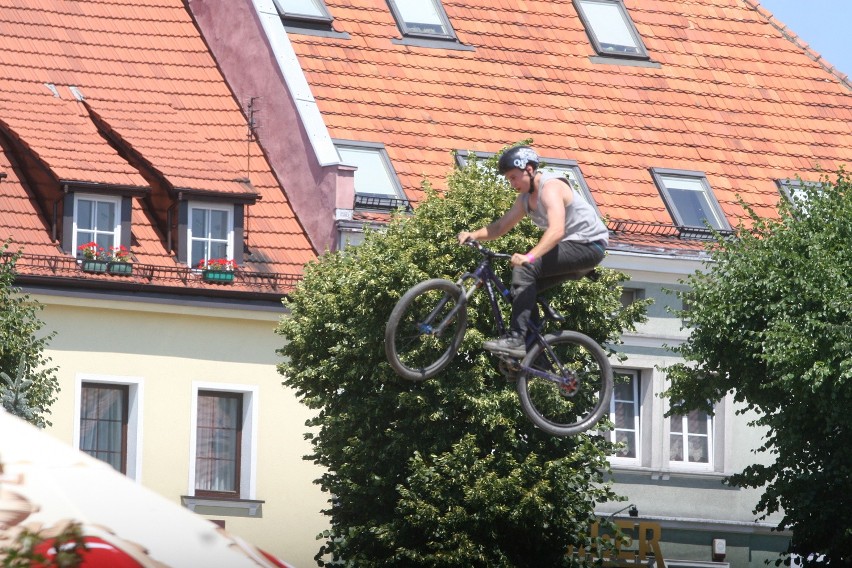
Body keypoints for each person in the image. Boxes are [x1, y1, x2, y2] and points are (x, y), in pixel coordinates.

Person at [456, 146, 608, 357]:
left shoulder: (551, 188)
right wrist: (473, 234)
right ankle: (534, 356)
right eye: (509, 180)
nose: (512, 184)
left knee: (525, 270)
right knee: (524, 290)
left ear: (528, 169)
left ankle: (516, 339)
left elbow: (557, 230)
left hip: (589, 245)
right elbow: (500, 227)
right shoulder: (525, 200)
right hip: (573, 248)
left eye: (514, 177)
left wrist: (529, 257)